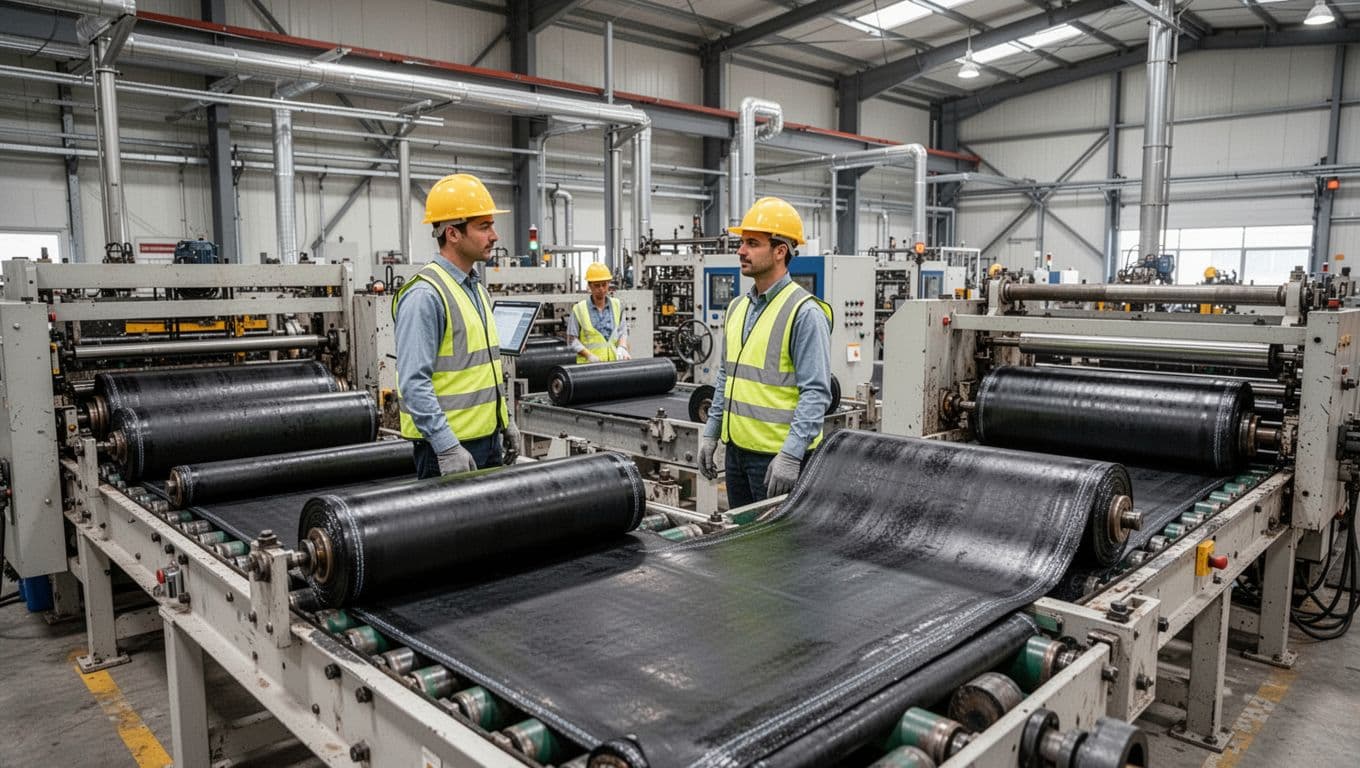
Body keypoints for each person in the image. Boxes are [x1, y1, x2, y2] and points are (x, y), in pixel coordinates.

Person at [697, 197, 832, 507]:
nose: (740, 251)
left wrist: (791, 453)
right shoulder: (736, 308)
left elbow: (816, 392)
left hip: (776, 458)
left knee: (778, 551)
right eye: (742, 242)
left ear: (780, 251)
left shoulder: (804, 312)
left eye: (752, 243)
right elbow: (725, 376)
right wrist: (711, 433)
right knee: (743, 546)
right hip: (736, 454)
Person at [392, 173, 524, 479]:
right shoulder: (426, 295)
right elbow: (413, 384)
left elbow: (485, 367)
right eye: (484, 226)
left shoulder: (476, 288)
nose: (494, 235)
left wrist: (505, 421)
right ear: (452, 233)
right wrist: (446, 446)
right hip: (450, 449)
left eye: (492, 225)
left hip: (486, 439)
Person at [567, 262, 630, 363]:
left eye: (604, 284)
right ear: (589, 286)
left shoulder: (617, 305)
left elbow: (622, 331)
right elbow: (572, 340)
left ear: (608, 284)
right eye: (597, 285)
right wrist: (589, 356)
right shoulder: (579, 309)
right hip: (589, 368)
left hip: (613, 365)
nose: (601, 289)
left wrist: (622, 347)